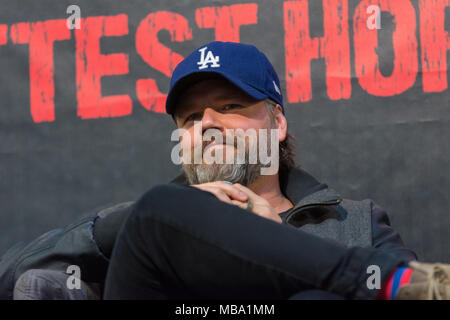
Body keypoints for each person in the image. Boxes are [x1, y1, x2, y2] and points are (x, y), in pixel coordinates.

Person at [0, 41, 448, 300]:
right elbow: (15, 276)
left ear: (277, 121)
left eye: (230, 106)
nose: (207, 124)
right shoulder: (140, 226)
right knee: (158, 209)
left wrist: (276, 246)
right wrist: (132, 224)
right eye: (191, 118)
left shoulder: (354, 221)